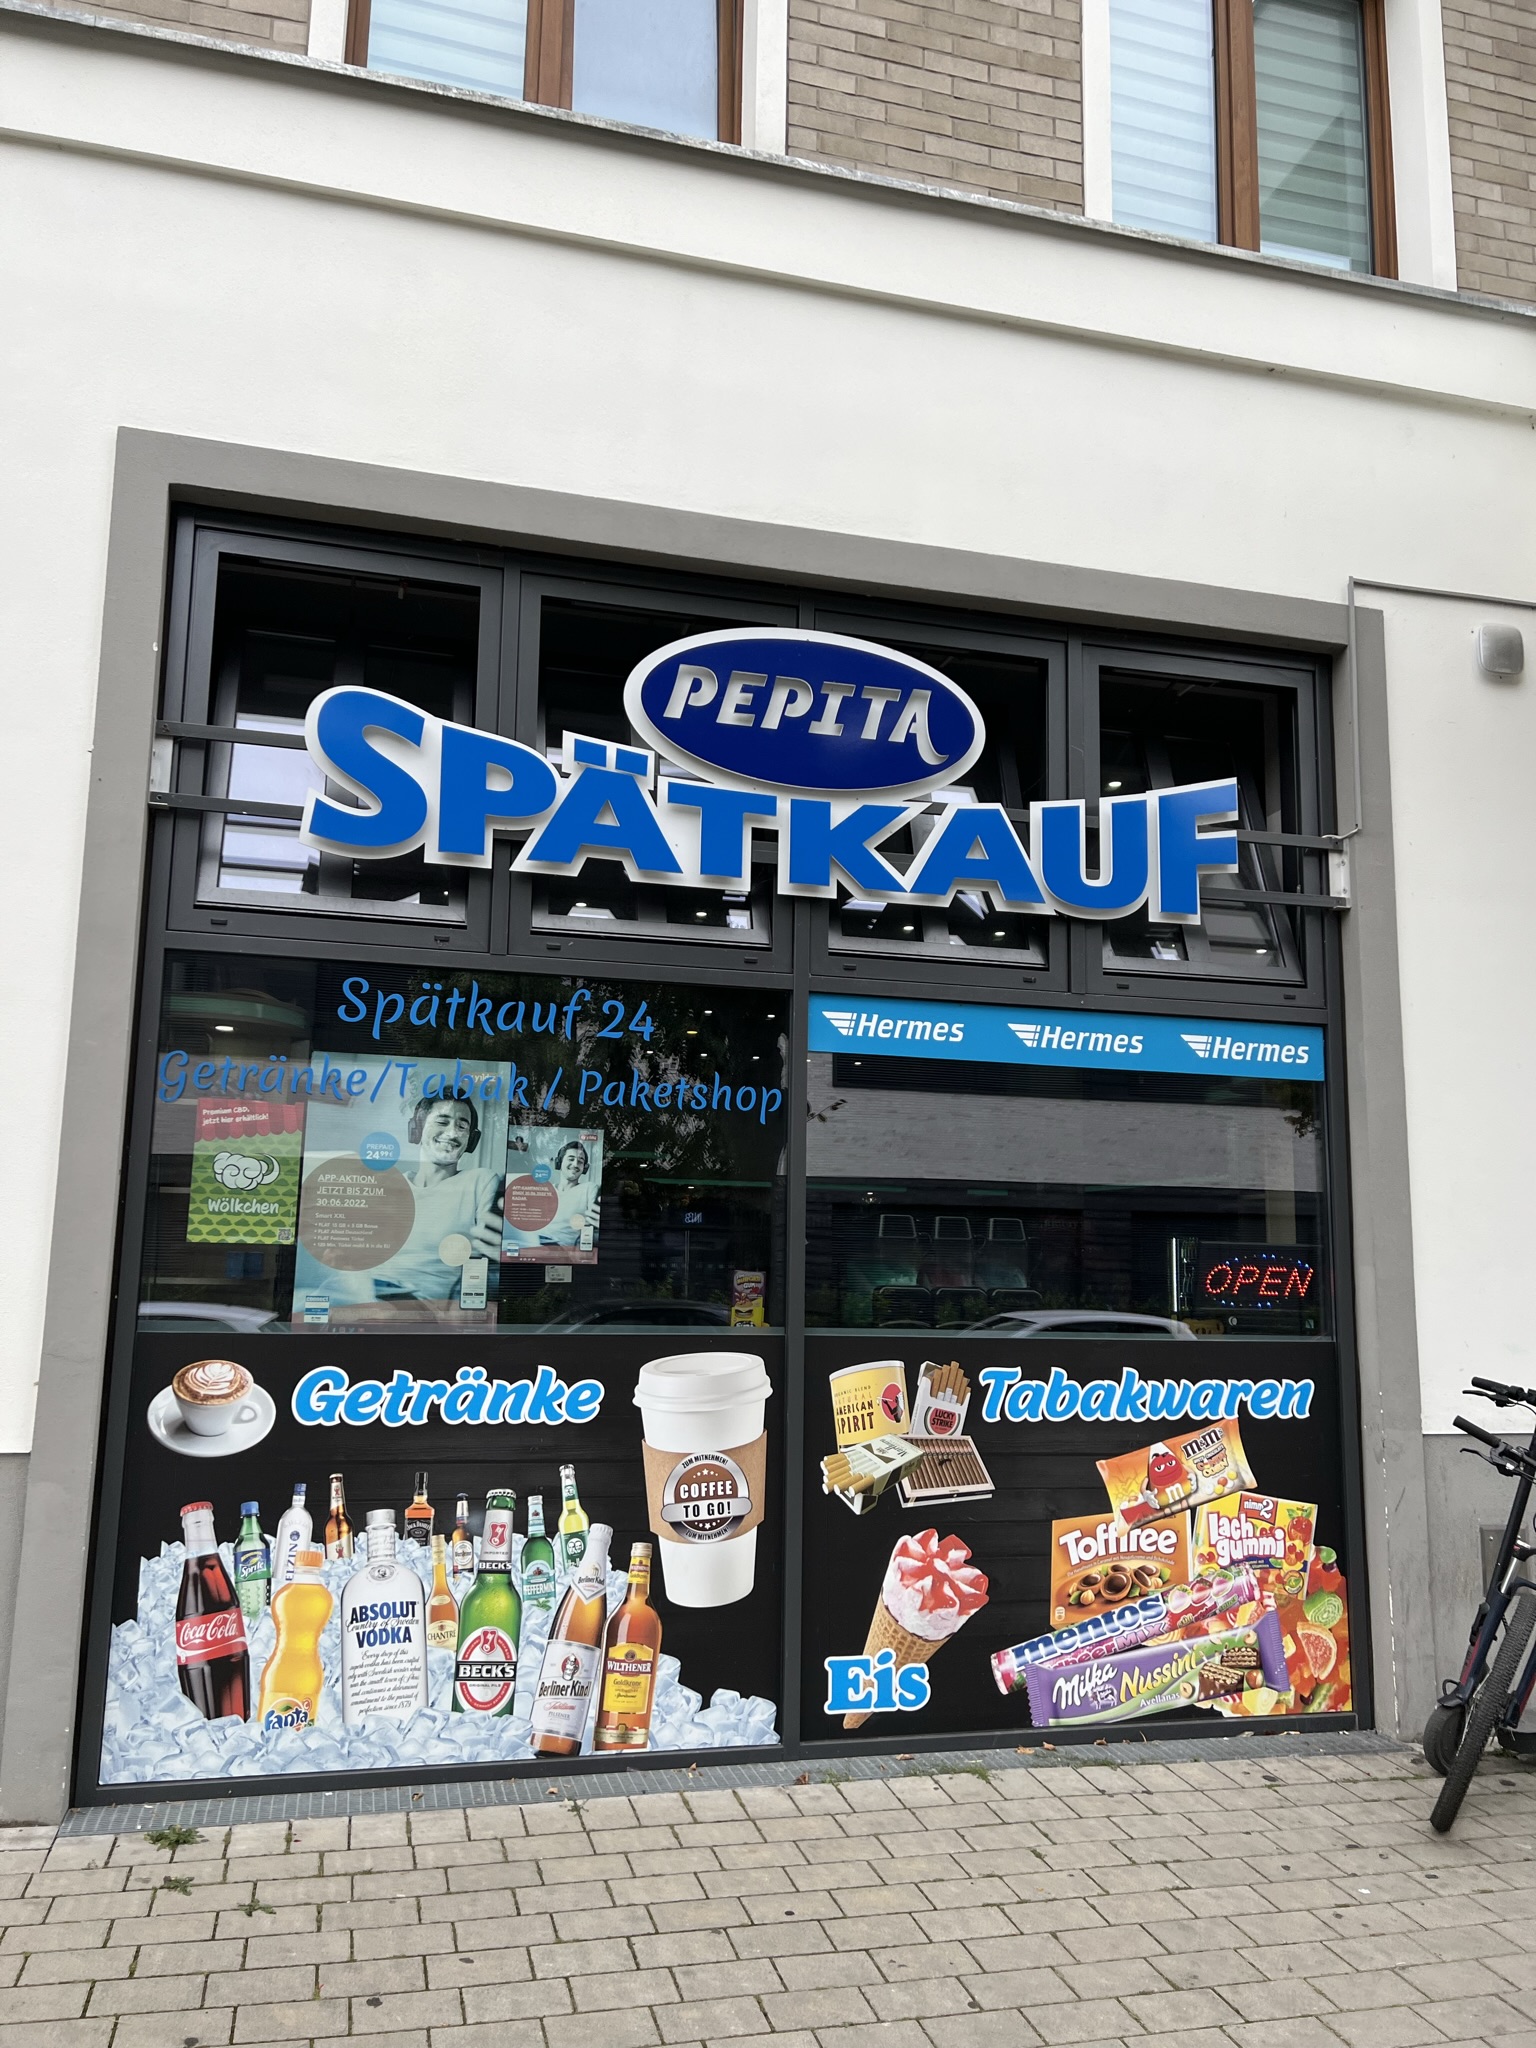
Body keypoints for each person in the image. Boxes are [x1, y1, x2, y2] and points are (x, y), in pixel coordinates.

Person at [537, 1138, 600, 1251]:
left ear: (585, 1168)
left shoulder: (589, 1188)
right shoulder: (546, 1190)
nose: (575, 1164)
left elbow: (595, 1224)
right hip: (534, 1243)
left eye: (580, 1161)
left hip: (560, 1250)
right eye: (571, 1159)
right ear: (559, 1162)